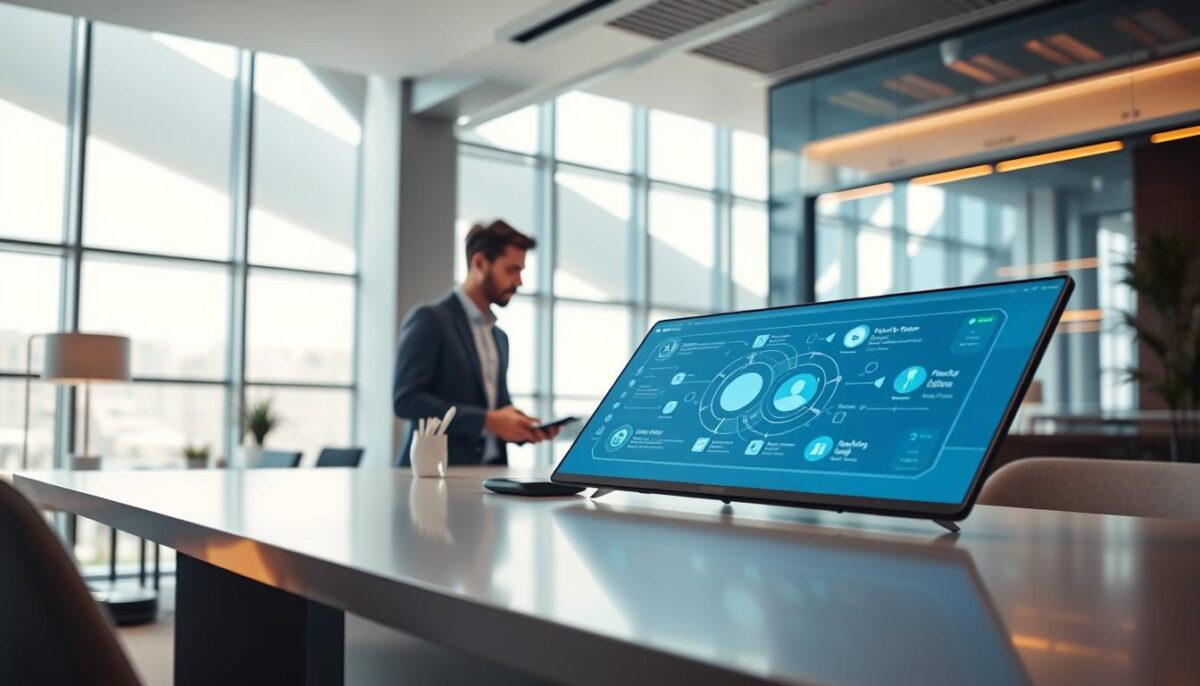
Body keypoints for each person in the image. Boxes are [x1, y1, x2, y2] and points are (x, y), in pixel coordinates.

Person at [393, 220, 559, 466]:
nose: (519, 282)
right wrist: (488, 420)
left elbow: (496, 409)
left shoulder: (499, 337)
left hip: (491, 476)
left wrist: (523, 428)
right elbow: (406, 400)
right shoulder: (430, 320)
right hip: (437, 473)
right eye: (511, 270)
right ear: (480, 263)